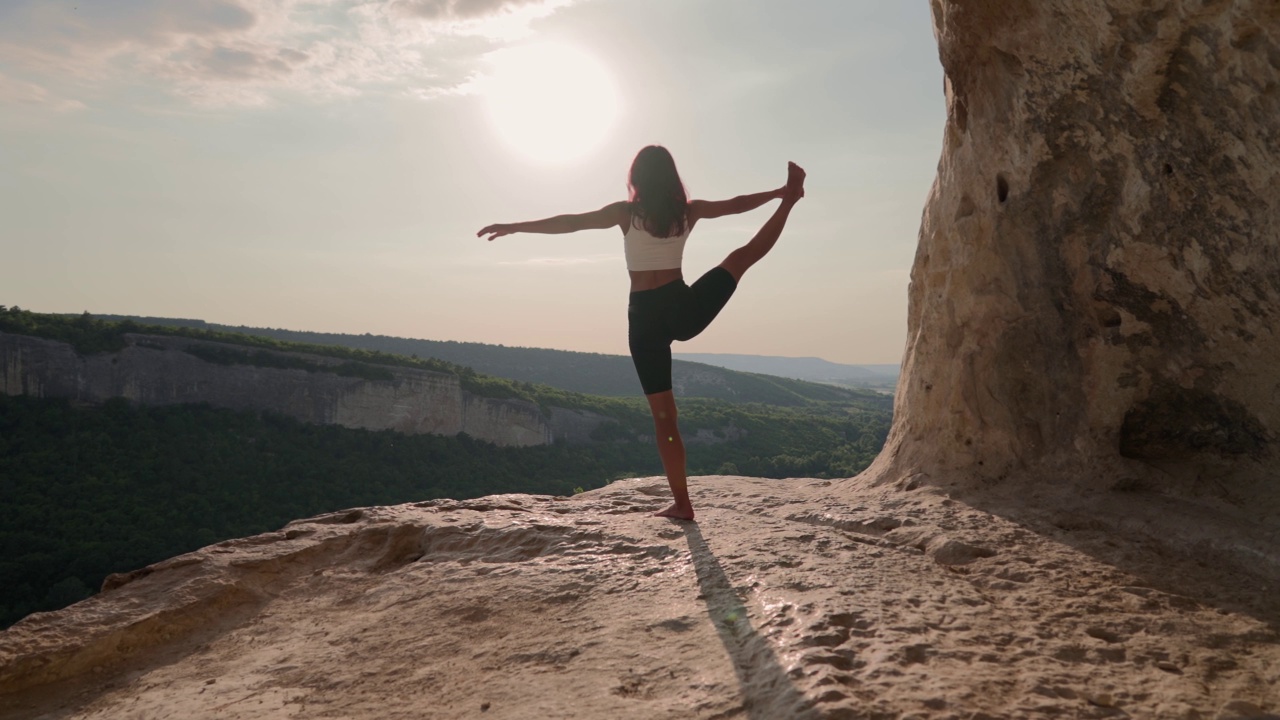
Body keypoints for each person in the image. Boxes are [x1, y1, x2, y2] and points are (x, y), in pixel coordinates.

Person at [478, 145, 805, 520]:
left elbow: (571, 222)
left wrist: (517, 226)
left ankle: (683, 503)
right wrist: (780, 194)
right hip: (683, 308)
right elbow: (737, 204)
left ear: (636, 178)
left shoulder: (626, 214)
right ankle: (791, 203)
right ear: (670, 176)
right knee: (739, 258)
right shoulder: (688, 211)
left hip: (644, 318)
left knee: (665, 418)